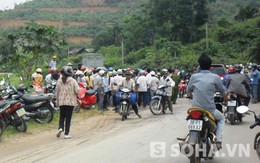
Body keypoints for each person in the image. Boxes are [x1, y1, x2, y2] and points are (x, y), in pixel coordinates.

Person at [186, 54, 227, 149]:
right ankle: (219, 140)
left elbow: (188, 90)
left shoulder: (194, 77)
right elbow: (222, 91)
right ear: (210, 66)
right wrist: (225, 98)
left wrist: (190, 95)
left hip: (195, 109)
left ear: (199, 65)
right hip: (210, 110)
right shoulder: (215, 77)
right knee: (221, 118)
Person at [56, 66, 80, 139]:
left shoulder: (59, 81)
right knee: (68, 118)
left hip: (61, 101)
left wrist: (57, 101)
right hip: (70, 102)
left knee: (62, 116)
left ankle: (60, 127)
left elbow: (57, 91)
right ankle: (66, 133)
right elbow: (77, 91)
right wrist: (75, 94)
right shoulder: (72, 81)